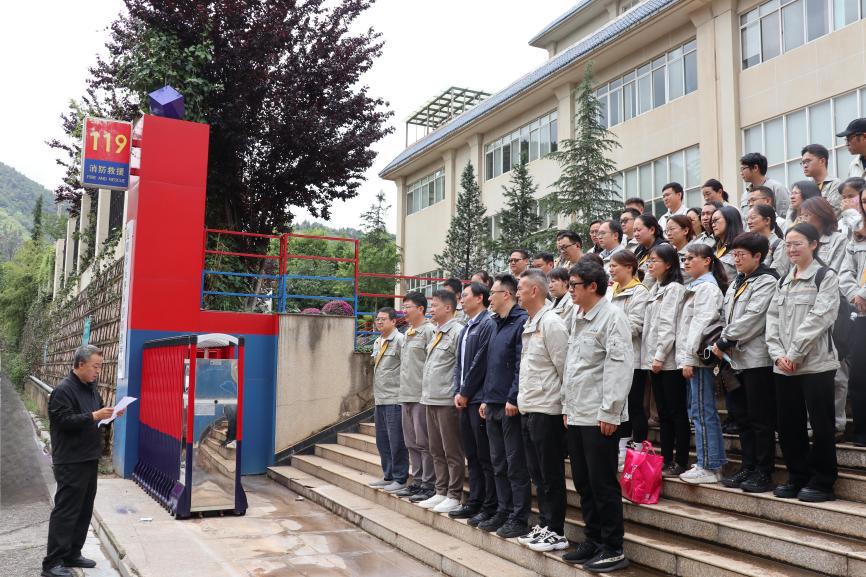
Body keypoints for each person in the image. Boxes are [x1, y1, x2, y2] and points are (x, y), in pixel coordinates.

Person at [561, 260, 633, 572]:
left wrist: (611, 411)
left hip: (600, 415)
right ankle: (593, 539)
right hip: (578, 412)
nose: (570, 290)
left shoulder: (612, 317)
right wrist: (567, 406)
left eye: (574, 285)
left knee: (602, 483)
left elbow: (619, 365)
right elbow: (573, 366)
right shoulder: (578, 316)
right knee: (583, 481)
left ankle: (613, 547)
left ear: (593, 286)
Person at [766, 223, 840, 503]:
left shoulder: (825, 276)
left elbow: (820, 318)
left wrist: (794, 354)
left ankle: (823, 481)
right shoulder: (784, 280)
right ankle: (797, 476)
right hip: (783, 365)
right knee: (788, 425)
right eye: (788, 244)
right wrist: (778, 354)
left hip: (816, 364)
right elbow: (772, 320)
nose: (792, 249)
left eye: (797, 243)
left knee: (821, 425)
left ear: (813, 244)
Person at [43, 345, 123, 577]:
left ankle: (72, 553)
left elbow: (96, 419)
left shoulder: (91, 389)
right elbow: (64, 422)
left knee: (84, 508)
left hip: (89, 457)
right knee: (66, 510)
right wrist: (94, 415)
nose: (98, 371)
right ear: (80, 365)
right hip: (71, 460)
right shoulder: (63, 391)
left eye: (100, 367)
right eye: (95, 367)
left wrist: (110, 415)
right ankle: (52, 563)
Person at [714, 233, 779, 493]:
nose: (736, 259)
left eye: (741, 255)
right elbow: (725, 315)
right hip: (734, 359)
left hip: (757, 359)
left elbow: (754, 318)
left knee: (760, 418)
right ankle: (748, 466)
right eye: (734, 255)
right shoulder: (737, 282)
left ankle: (764, 471)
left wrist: (725, 339)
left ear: (757, 256)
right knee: (742, 417)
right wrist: (722, 338)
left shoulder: (767, 281)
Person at [514, 269, 569, 552]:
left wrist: (566, 406)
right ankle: (546, 524)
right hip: (530, 406)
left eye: (520, 288)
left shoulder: (552, 323)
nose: (517, 293)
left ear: (534, 290)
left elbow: (564, 368)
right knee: (537, 473)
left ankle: (556, 530)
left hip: (547, 409)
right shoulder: (530, 322)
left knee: (550, 474)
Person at [477, 274, 531, 537]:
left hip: (510, 405)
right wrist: (486, 398)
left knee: (514, 463)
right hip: (493, 402)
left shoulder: (520, 322)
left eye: (493, 293)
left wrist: (513, 397)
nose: (489, 298)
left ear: (506, 295)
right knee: (497, 462)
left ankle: (518, 517)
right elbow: (492, 365)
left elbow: (521, 365)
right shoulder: (496, 323)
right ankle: (503, 509)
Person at [676, 244, 728, 484]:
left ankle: (709, 466)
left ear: (707, 260)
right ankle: (710, 461)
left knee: (702, 411)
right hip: (694, 358)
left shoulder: (706, 288)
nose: (686, 262)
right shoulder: (697, 287)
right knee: (700, 410)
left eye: (691, 258)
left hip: (699, 360)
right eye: (684, 259)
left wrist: (689, 359)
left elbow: (700, 326)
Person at [799, 196, 849, 439]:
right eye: (801, 215)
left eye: (808, 214)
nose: (803, 218)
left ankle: (837, 423)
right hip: (806, 306)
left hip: (835, 305)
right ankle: (813, 423)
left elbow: (837, 271)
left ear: (821, 215)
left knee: (837, 371)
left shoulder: (837, 239)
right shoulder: (800, 241)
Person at [641, 244, 689, 477]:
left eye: (655, 261)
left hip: (668, 361)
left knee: (676, 412)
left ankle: (680, 460)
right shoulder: (656, 288)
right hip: (654, 360)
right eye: (648, 260)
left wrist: (659, 356)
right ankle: (666, 459)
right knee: (663, 413)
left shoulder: (674, 289)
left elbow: (668, 325)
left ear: (669, 264)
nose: (650, 265)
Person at [452, 283, 497, 520]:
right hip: (465, 398)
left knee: (483, 455)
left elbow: (480, 363)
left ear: (480, 298)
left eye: (465, 296)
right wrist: (457, 390)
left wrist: (466, 391)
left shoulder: (487, 324)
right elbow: (459, 364)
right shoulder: (467, 327)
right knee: (471, 454)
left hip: (477, 398)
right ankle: (474, 501)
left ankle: (489, 505)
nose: (461, 300)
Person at [418, 290, 466, 512]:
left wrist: (457, 393)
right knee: (436, 449)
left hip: (447, 400)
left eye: (435, 305)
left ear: (448, 308)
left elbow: (460, 367)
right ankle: (440, 491)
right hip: (430, 398)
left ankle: (454, 495)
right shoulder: (437, 331)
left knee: (451, 450)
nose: (431, 309)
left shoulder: (457, 332)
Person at [608, 250, 650, 468]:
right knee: (619, 404)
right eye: (610, 265)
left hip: (632, 358)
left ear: (629, 267)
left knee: (634, 404)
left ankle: (639, 447)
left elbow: (635, 325)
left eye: (614, 265)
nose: (611, 269)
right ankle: (622, 447)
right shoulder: (610, 290)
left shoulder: (640, 292)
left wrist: (608, 331)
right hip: (611, 357)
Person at [397, 292, 438, 502]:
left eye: (408, 307)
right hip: (406, 394)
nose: (404, 311)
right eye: (403, 307)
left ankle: (429, 484)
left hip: (421, 395)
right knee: (411, 442)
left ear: (421, 309)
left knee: (424, 441)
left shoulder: (429, 331)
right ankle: (418, 480)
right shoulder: (408, 332)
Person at [369, 308, 409, 492]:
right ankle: (388, 475)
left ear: (394, 321)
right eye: (377, 319)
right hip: (380, 398)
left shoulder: (400, 340)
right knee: (382, 441)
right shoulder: (378, 341)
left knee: (396, 441)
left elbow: (406, 368)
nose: (379, 322)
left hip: (395, 398)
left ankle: (400, 478)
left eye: (383, 319)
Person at [840, 184, 866, 446]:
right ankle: (861, 430)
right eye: (865, 201)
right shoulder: (857, 236)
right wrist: (855, 295)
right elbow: (845, 272)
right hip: (861, 314)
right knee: (859, 375)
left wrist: (863, 293)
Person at [740, 152, 790, 219]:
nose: (741, 173)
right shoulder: (745, 194)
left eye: (743, 169)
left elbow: (785, 217)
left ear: (755, 168)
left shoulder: (777, 188)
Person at [746, 203, 789, 278]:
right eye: (747, 219)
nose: (748, 222)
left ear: (767, 220)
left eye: (753, 218)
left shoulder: (779, 245)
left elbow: (778, 274)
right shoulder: (749, 244)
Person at [801, 144, 842, 215]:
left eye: (808, 161)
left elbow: (832, 213)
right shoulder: (805, 188)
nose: (805, 165)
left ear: (822, 161)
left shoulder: (836, 184)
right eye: (803, 162)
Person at [632, 214, 666, 289]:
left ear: (652, 230)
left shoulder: (663, 248)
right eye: (634, 231)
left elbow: (650, 281)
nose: (636, 234)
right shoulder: (639, 250)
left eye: (638, 230)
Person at [711, 206, 744, 280]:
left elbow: (742, 278)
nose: (713, 225)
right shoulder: (714, 249)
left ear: (729, 219)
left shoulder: (741, 247)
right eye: (712, 222)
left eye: (716, 220)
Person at [665, 214, 696, 282]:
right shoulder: (670, 253)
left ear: (685, 231)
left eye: (672, 229)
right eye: (666, 230)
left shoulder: (695, 252)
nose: (668, 233)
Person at [548, 266, 575, 331]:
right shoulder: (554, 301)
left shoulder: (571, 303)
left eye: (553, 281)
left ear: (565, 283)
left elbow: (562, 329)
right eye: (549, 282)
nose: (550, 286)